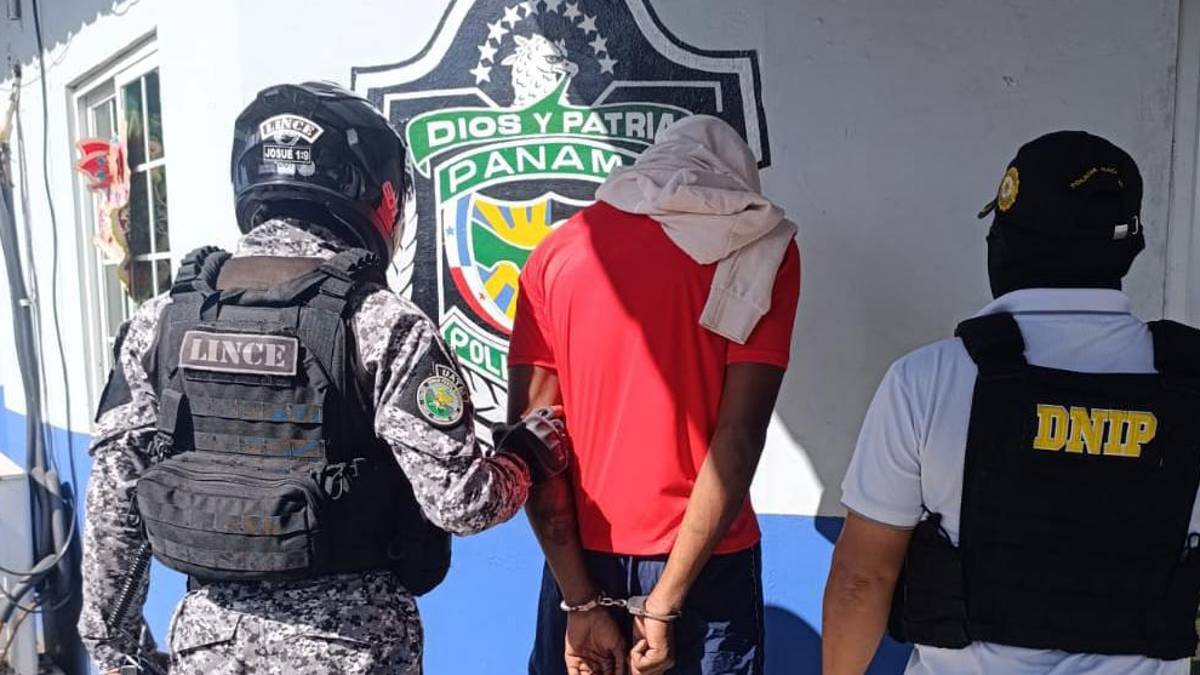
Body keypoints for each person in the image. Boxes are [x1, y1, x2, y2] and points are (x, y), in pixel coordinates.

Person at [77, 81, 568, 675]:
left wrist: (115, 650)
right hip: (349, 646)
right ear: (377, 193)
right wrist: (524, 458)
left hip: (209, 645)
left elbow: (114, 502)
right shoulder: (383, 324)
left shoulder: (161, 321)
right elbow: (462, 504)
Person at [823, 130, 1200, 675]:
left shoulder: (929, 379)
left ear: (1004, 239)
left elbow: (862, 579)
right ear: (1129, 247)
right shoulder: (1188, 385)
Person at [510, 115, 802, 675]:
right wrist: (665, 602)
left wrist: (580, 600)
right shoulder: (760, 244)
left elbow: (534, 441)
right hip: (706, 563)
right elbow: (739, 438)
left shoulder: (557, 251)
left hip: (580, 561)